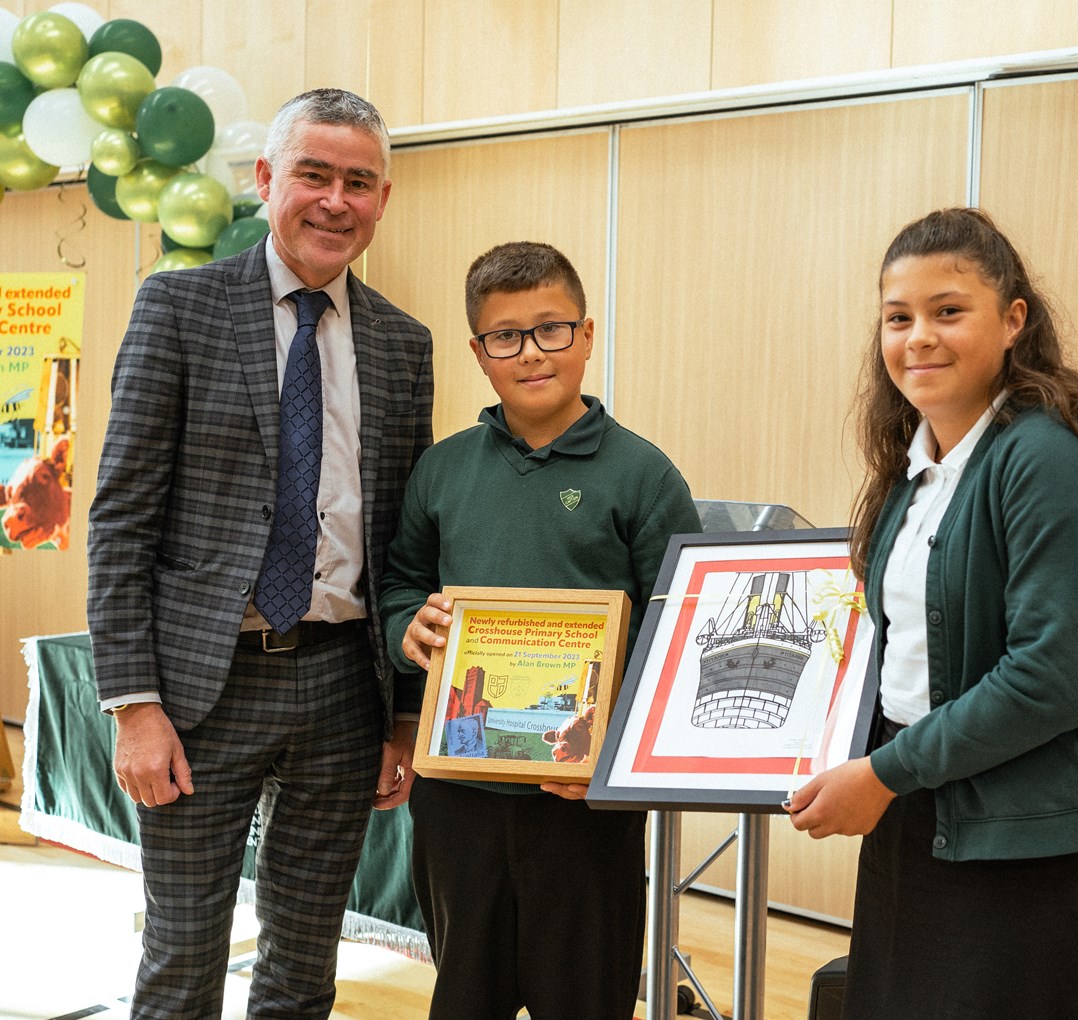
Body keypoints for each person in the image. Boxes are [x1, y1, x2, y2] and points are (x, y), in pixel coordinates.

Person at [86, 89, 434, 1018]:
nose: (335, 200)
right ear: (267, 178)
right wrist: (134, 706)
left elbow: (405, 547)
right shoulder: (179, 306)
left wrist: (402, 718)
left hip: (341, 691)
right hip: (203, 688)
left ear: (383, 199)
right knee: (183, 959)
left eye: (358, 182)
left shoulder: (405, 345)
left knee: (303, 963)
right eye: (313, 174)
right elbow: (121, 520)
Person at [783, 207, 1078, 1019]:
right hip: (913, 819)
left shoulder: (1046, 459)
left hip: (1019, 848)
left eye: (948, 311)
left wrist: (880, 774)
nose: (920, 337)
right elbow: (901, 651)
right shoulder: (916, 469)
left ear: (1013, 320)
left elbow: (1051, 679)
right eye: (898, 317)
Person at [379, 241, 701, 1020]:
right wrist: (406, 630)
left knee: (585, 996)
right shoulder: (442, 470)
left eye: (551, 329)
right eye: (505, 336)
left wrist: (617, 764)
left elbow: (680, 639)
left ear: (587, 334)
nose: (531, 353)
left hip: (582, 800)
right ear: (478, 352)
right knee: (464, 994)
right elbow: (399, 585)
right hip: (459, 796)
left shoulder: (644, 475)